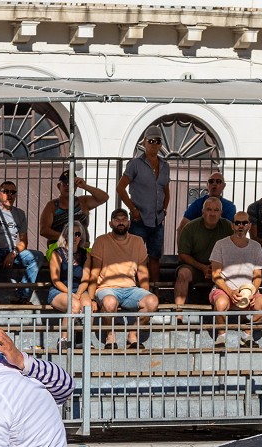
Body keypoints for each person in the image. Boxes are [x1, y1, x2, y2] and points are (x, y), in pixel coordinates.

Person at [90, 208, 158, 350]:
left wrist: (147, 294)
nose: (120, 222)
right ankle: (110, 336)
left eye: (123, 219)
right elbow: (94, 272)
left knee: (152, 301)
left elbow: (143, 272)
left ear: (129, 222)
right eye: (117, 219)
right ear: (110, 223)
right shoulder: (101, 240)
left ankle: (132, 335)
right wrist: (91, 299)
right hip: (106, 288)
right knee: (109, 302)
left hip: (131, 289)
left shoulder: (138, 241)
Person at [209, 211, 262, 347]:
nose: (241, 226)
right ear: (232, 225)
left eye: (244, 223)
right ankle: (221, 336)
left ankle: (247, 334)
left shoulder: (256, 247)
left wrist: (252, 292)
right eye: (237, 223)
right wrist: (230, 292)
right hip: (224, 290)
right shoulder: (220, 244)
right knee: (220, 304)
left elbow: (258, 276)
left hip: (248, 292)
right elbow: (216, 275)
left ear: (249, 225)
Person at [117, 132, 171, 286]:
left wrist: (165, 209)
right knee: (135, 256)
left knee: (155, 257)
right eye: (151, 141)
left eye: (157, 141)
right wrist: (133, 209)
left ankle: (155, 291)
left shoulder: (165, 166)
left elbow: (166, 190)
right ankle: (132, 287)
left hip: (157, 220)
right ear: (144, 143)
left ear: (161, 145)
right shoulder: (135, 164)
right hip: (139, 218)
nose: (154, 144)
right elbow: (120, 188)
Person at [0, 180, 40, 304]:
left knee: (37, 256)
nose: (9, 194)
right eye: (6, 191)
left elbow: (24, 241)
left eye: (13, 192)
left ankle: (23, 296)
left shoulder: (20, 214)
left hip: (11, 251)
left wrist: (13, 253)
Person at [174, 196, 232, 313]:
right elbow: (183, 254)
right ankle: (178, 313)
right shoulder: (190, 228)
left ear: (221, 213)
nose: (212, 213)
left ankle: (241, 312)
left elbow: (237, 249)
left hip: (221, 268)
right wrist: (203, 267)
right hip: (195, 267)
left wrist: (217, 269)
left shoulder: (229, 227)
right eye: (209, 209)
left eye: (216, 210)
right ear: (202, 212)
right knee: (183, 274)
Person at [49, 222, 95, 348]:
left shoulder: (85, 254)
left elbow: (86, 278)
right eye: (71, 234)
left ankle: (84, 339)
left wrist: (78, 294)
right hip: (60, 289)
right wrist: (72, 295)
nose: (74, 237)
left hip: (79, 288)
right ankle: (63, 339)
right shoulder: (57, 254)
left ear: (81, 237)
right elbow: (55, 280)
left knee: (87, 306)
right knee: (74, 305)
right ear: (65, 236)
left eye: (77, 234)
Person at [38, 171, 109, 246]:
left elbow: (104, 197)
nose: (68, 186)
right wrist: (66, 238)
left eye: (71, 184)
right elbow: (44, 230)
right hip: (58, 247)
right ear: (59, 186)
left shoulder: (83, 202)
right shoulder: (52, 206)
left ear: (76, 186)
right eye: (65, 184)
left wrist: (85, 186)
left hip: (83, 249)